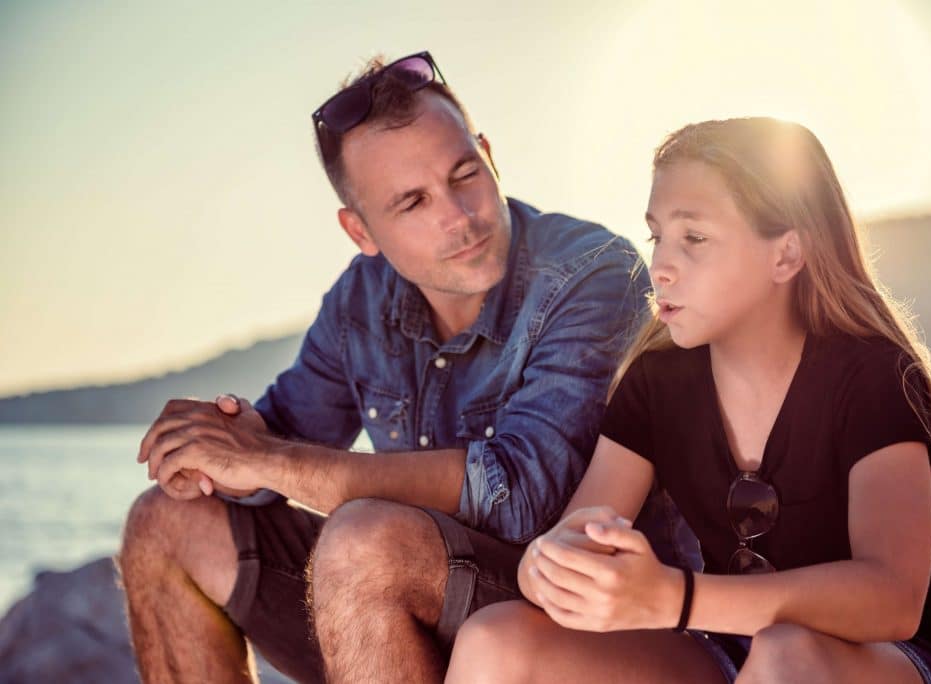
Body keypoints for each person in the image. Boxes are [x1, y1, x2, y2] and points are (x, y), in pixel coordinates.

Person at [118, 51, 659, 684]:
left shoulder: (591, 273)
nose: (459, 218)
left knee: (363, 542)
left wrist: (267, 460)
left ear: (489, 154)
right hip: (401, 603)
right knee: (163, 521)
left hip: (553, 617)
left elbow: (521, 494)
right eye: (412, 203)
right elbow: (287, 438)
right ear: (360, 231)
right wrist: (215, 450)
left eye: (465, 175)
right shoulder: (361, 301)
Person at [446, 117, 931, 684]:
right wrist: (548, 567)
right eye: (657, 237)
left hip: (891, 660)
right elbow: (579, 535)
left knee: (784, 656)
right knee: (495, 639)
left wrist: (677, 598)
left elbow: (891, 601)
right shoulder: (657, 379)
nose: (662, 268)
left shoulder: (872, 374)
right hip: (727, 648)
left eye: (693, 238)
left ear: (786, 255)